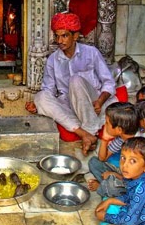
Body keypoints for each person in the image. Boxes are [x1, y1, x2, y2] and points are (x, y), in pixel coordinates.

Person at [25, 12, 117, 155]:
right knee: (40, 96)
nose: (59, 40)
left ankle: (89, 130)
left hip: (93, 105)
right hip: (71, 106)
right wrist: (37, 104)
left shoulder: (91, 53)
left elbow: (109, 82)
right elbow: (48, 89)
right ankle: (86, 134)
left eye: (64, 35)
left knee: (75, 80)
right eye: (57, 36)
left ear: (75, 36)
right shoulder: (52, 60)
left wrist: (100, 101)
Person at [88, 102, 145, 198]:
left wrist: (115, 175)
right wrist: (104, 139)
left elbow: (139, 179)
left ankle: (104, 187)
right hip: (130, 174)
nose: (105, 125)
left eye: (107, 123)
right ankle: (109, 185)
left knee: (113, 187)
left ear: (119, 129)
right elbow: (102, 158)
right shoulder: (122, 138)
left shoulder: (141, 145)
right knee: (93, 162)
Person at [95, 137, 145, 225]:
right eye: (123, 158)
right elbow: (130, 196)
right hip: (138, 213)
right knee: (107, 201)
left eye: (133, 161)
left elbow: (129, 221)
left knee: (107, 222)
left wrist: (104, 216)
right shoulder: (136, 177)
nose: (124, 165)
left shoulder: (143, 189)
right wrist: (110, 201)